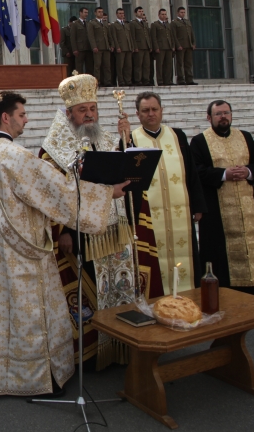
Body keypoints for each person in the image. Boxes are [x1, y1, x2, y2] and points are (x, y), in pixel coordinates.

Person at [0, 92, 128, 397]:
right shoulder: (16, 156)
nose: (26, 120)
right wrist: (107, 195)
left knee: (0, 315)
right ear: (6, 117)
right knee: (30, 314)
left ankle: (3, 378)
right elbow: (57, 191)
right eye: (22, 115)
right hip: (23, 255)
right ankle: (39, 380)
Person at [38, 75, 163, 370]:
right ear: (69, 114)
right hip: (84, 235)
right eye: (83, 110)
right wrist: (63, 232)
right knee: (90, 293)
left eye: (93, 108)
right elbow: (53, 195)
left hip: (116, 231)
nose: (90, 114)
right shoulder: (52, 149)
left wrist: (127, 142)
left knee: (123, 287)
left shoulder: (106, 138)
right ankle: (95, 351)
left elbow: (127, 175)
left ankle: (124, 345)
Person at [190, 100, 254, 297]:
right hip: (216, 211)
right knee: (218, 255)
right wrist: (224, 174)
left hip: (246, 207)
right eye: (218, 114)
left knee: (250, 248)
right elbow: (196, 172)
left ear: (231, 115)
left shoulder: (245, 137)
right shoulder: (200, 141)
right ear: (209, 118)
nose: (223, 116)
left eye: (226, 112)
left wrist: (248, 171)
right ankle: (223, 294)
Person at [132, 92, 206, 293]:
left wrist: (198, 206)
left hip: (180, 211)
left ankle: (190, 296)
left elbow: (192, 173)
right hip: (150, 216)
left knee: (187, 255)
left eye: (155, 109)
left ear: (161, 110)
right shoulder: (131, 139)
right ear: (138, 114)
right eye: (145, 110)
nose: (151, 114)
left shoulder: (178, 136)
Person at [87, 6, 113, 86]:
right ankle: (97, 81)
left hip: (106, 47)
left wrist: (111, 45)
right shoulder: (92, 23)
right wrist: (94, 46)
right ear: (95, 13)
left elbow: (109, 35)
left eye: (102, 12)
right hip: (98, 47)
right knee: (97, 66)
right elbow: (91, 36)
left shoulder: (105, 23)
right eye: (99, 12)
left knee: (107, 66)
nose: (101, 13)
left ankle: (107, 81)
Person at [171, 7, 197, 85]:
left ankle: (189, 79)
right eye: (181, 12)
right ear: (178, 13)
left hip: (188, 45)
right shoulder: (174, 22)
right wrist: (177, 45)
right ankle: (181, 79)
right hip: (181, 46)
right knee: (180, 63)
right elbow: (174, 35)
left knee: (188, 63)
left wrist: (193, 43)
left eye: (184, 12)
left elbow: (192, 33)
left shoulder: (187, 22)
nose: (183, 14)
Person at [150, 9, 175, 86]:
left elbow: (171, 36)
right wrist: (156, 47)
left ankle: (168, 80)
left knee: (168, 65)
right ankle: (160, 81)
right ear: (159, 15)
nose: (164, 16)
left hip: (168, 47)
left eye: (165, 14)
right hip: (160, 48)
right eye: (162, 14)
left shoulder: (168, 25)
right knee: (160, 65)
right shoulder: (155, 25)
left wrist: (173, 46)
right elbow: (153, 37)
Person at [111, 8, 134, 86]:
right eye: (120, 13)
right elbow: (114, 37)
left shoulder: (126, 24)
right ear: (117, 14)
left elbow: (130, 36)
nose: (122, 15)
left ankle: (128, 80)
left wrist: (132, 46)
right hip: (120, 47)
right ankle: (121, 81)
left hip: (128, 47)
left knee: (128, 65)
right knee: (120, 66)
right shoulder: (114, 25)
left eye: (123, 13)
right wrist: (117, 47)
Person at [130, 7, 152, 85]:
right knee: (138, 65)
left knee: (146, 65)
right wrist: (135, 46)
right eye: (139, 11)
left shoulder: (145, 23)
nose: (141, 13)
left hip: (146, 46)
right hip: (139, 47)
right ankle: (138, 80)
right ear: (135, 13)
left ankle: (146, 80)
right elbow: (132, 36)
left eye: (142, 11)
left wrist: (150, 46)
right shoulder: (133, 23)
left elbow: (147, 35)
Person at [70, 7, 92, 75]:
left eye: (87, 13)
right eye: (85, 12)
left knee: (89, 67)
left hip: (88, 48)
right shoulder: (75, 24)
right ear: (80, 13)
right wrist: (74, 49)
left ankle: (88, 82)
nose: (86, 14)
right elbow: (72, 37)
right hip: (79, 49)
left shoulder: (89, 23)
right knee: (79, 67)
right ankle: (80, 82)